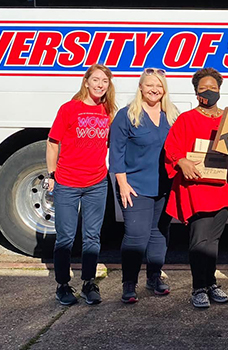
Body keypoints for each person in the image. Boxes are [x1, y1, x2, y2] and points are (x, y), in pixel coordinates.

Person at [163, 68, 228, 309]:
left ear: (220, 90)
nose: (209, 91)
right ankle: (198, 287)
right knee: (199, 241)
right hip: (197, 189)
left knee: (213, 241)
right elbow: (171, 149)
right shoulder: (186, 119)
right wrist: (181, 161)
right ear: (196, 91)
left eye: (213, 87)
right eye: (203, 87)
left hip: (223, 187)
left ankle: (211, 282)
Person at [46, 64, 117, 306]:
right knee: (66, 237)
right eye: (96, 80)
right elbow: (53, 143)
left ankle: (88, 283)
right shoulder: (69, 109)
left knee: (92, 237)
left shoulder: (108, 110)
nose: (100, 85)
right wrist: (51, 175)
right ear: (86, 82)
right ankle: (63, 285)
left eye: (104, 81)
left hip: (96, 182)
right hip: (67, 182)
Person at [109, 68, 180, 304]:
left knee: (159, 234)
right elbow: (116, 153)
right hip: (135, 187)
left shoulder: (172, 114)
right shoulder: (126, 115)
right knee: (136, 236)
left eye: (159, 86)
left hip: (164, 186)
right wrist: (122, 184)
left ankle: (154, 278)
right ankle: (129, 284)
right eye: (149, 85)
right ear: (140, 87)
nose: (154, 89)